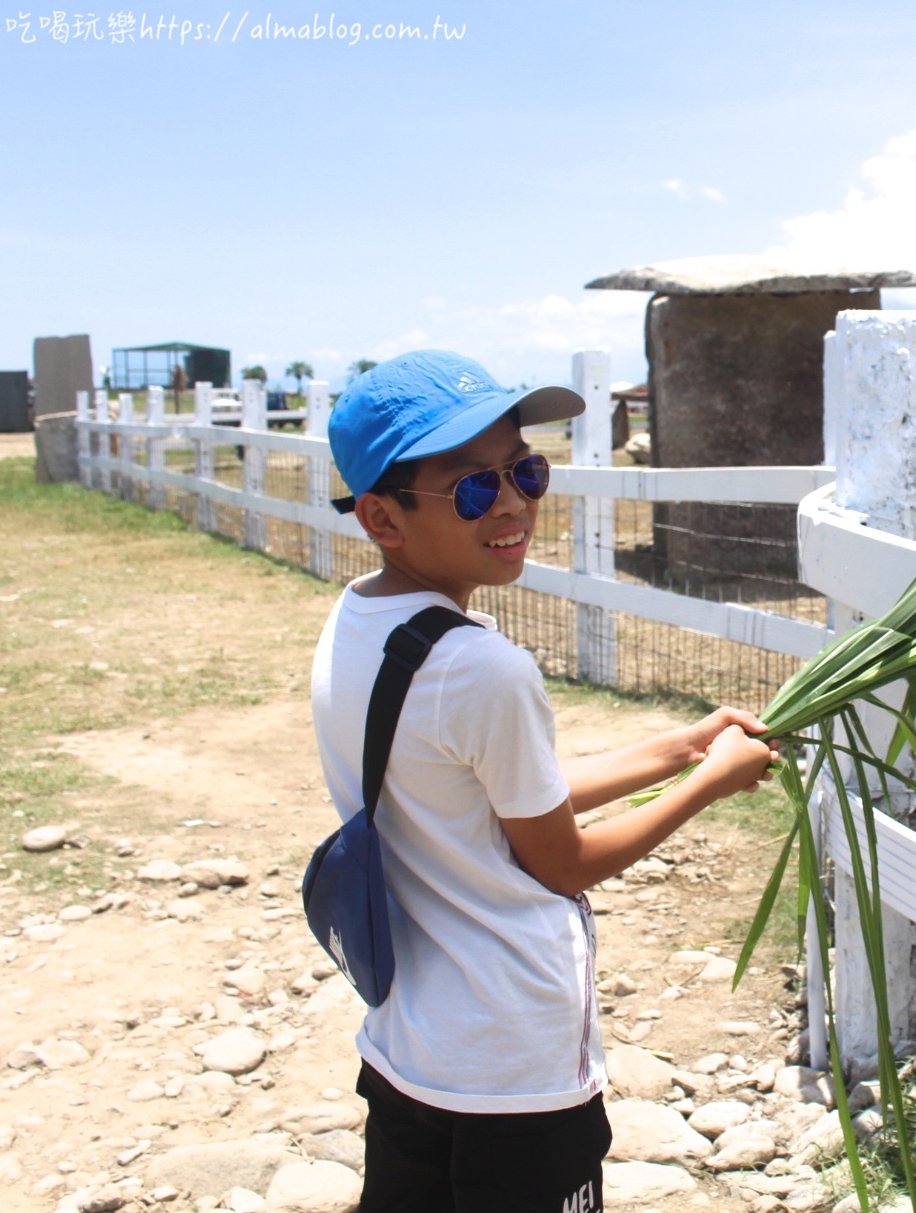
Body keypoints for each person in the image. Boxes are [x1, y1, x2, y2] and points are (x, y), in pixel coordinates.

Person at [315, 351, 778, 1213]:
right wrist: (709, 785)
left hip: (410, 1045)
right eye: (472, 488)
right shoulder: (483, 667)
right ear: (382, 517)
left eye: (524, 469)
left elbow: (497, 793)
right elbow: (559, 863)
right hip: (512, 1062)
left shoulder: (361, 624)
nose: (517, 503)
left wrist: (680, 746)